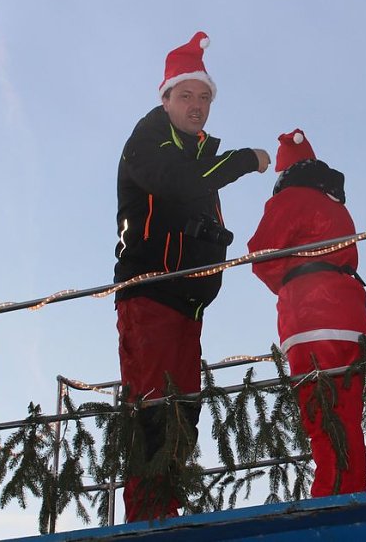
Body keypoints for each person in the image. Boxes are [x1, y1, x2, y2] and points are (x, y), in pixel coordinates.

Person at [114, 31, 270, 521]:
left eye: (204, 97)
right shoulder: (148, 142)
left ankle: (167, 510)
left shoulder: (198, 153)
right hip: (149, 292)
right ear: (166, 99)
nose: (197, 105)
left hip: (189, 304)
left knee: (184, 410)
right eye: (186, 95)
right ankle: (145, 520)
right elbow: (178, 184)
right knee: (153, 407)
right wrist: (243, 160)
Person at [247, 129, 366, 497]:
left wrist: (288, 281)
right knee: (347, 415)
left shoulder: (291, 198)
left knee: (322, 415)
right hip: (351, 315)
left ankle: (331, 498)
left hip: (311, 315)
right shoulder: (335, 204)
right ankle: (352, 491)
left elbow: (261, 255)